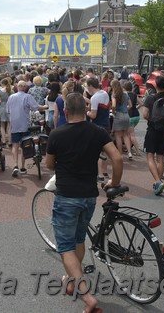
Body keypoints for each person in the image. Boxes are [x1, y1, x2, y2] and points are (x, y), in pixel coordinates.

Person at [45, 92, 123, 313]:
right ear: (85, 111)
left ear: (66, 111)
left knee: (65, 247)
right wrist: (113, 182)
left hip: (66, 196)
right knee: (79, 239)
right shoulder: (97, 132)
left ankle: (88, 297)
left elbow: (50, 165)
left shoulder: (57, 134)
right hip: (89, 197)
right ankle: (72, 279)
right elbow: (116, 158)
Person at [6, 80, 47, 177]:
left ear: (17, 87)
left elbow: (8, 110)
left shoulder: (11, 97)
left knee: (15, 145)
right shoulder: (28, 97)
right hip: (25, 124)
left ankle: (15, 165)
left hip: (14, 124)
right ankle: (23, 167)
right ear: (24, 87)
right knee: (25, 145)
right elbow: (36, 107)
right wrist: (45, 107)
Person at [84, 78, 111, 182]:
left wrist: (87, 113)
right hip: (106, 124)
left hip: (97, 125)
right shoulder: (104, 93)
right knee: (105, 150)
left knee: (97, 151)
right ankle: (104, 171)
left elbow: (93, 115)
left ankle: (99, 175)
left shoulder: (95, 98)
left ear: (90, 86)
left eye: (87, 86)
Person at [110, 79, 133, 160]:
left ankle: (120, 154)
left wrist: (113, 112)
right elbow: (130, 105)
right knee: (126, 135)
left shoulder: (114, 94)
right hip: (126, 115)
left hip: (118, 115)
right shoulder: (126, 94)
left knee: (118, 136)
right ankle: (129, 153)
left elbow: (113, 105)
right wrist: (125, 109)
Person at [123, 81, 142, 156]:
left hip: (130, 116)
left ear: (124, 87)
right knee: (129, 133)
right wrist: (136, 108)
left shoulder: (125, 95)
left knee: (131, 134)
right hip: (136, 116)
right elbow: (141, 103)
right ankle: (129, 148)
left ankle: (137, 151)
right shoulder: (134, 94)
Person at [0, 78, 12, 146]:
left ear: (2, 84)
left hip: (2, 108)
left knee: (2, 126)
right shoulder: (11, 91)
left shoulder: (0, 91)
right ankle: (10, 141)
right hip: (10, 108)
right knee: (9, 125)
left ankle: (4, 140)